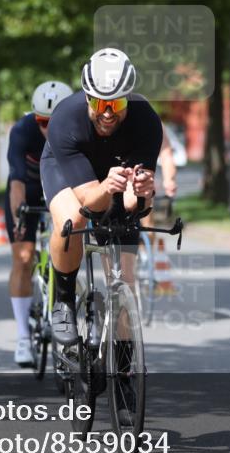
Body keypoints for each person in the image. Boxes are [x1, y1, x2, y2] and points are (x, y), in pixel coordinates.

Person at [40, 48, 162, 346]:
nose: (107, 113)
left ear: (128, 100)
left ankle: (123, 373)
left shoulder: (146, 122)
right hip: (70, 173)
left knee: (124, 283)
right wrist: (107, 188)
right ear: (86, 98)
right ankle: (64, 300)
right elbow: (87, 203)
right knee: (72, 220)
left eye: (116, 103)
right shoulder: (65, 120)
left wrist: (144, 194)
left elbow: (134, 207)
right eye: (99, 102)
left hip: (114, 178)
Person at [5, 80, 73, 366]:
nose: (47, 128)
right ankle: (23, 337)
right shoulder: (22, 132)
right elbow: (17, 181)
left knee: (72, 253)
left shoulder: (76, 129)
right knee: (23, 258)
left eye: (53, 121)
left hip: (63, 189)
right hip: (29, 191)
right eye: (41, 121)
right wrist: (20, 216)